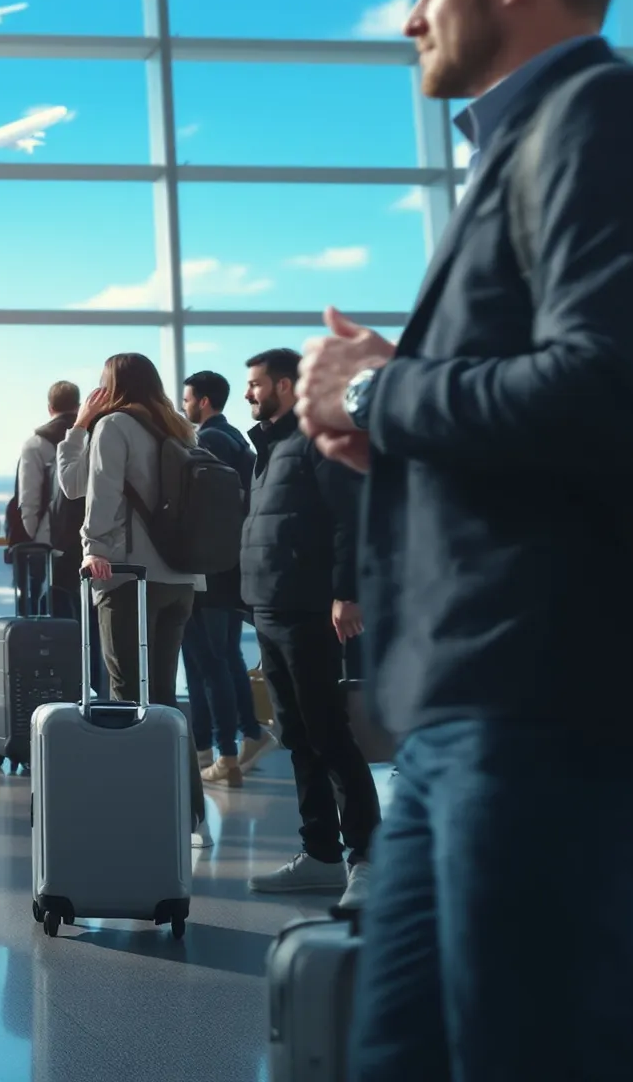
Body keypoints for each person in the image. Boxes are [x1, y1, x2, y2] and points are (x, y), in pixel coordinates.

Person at [298, 0, 633, 1078]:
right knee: (406, 1048)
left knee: (543, 1046)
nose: (408, 17)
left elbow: (613, 393)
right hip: (484, 699)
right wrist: (383, 417)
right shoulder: (531, 148)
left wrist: (378, 393)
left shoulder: (611, 121)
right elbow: (553, 408)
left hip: (562, 699)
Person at [238, 348, 378, 909]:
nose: (248, 393)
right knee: (296, 736)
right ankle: (320, 854)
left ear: (286, 385)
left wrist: (346, 593)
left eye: (255, 384)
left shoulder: (319, 438)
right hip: (269, 607)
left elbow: (350, 518)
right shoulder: (268, 447)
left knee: (328, 734)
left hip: (310, 607)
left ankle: (368, 858)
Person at [75, 353, 209, 839]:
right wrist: (78, 431)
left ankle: (140, 817)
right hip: (180, 581)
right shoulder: (179, 428)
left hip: (131, 579)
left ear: (110, 385)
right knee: (164, 700)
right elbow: (77, 483)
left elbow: (99, 495)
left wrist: (93, 550)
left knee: (127, 699)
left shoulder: (114, 426)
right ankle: (190, 814)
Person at [177, 370, 269, 785]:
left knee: (206, 661)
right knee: (224, 656)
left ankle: (224, 751)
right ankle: (240, 738)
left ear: (205, 401)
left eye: (187, 399)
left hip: (210, 570)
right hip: (232, 568)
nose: (183, 405)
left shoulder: (208, 443)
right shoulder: (236, 439)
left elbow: (203, 511)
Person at [13, 380, 86, 619]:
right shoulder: (91, 439)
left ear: (49, 408)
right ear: (78, 406)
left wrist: (38, 538)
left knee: (52, 613)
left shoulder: (35, 444)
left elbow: (29, 499)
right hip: (88, 539)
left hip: (50, 542)